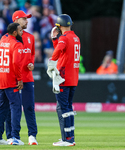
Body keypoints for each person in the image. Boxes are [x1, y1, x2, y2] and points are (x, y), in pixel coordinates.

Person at [5, 10, 38, 145]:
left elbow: (32, 55)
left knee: (29, 107)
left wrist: (32, 64)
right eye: (24, 19)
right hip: (12, 79)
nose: (27, 21)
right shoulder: (7, 38)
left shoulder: (30, 37)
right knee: (11, 108)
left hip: (28, 78)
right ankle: (11, 136)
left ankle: (32, 136)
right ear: (17, 20)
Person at [47, 14, 80, 146]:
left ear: (59, 26)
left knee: (62, 108)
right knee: (67, 107)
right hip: (73, 78)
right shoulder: (76, 38)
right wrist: (55, 39)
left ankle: (67, 139)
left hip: (63, 78)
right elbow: (63, 51)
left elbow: (59, 49)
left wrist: (51, 62)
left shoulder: (65, 38)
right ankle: (70, 137)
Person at [0, 23, 24, 145]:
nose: (22, 32)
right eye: (20, 30)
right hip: (11, 81)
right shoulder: (17, 44)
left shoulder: (2, 41)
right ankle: (15, 137)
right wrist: (19, 79)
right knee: (15, 107)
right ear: (14, 32)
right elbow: (16, 63)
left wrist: (0, 74)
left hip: (2, 80)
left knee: (2, 108)